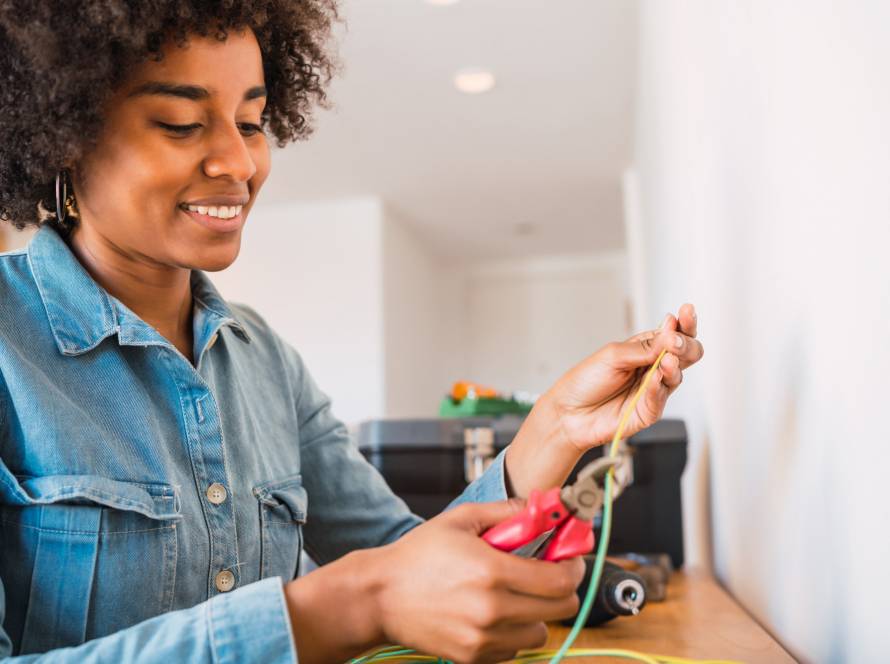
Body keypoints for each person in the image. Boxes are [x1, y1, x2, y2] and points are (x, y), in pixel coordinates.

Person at [0, 2, 704, 663]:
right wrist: (346, 605)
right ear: (64, 135)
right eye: (182, 125)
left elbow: (415, 562)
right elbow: (384, 589)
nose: (240, 165)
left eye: (252, 123)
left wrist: (552, 431)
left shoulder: (265, 361)